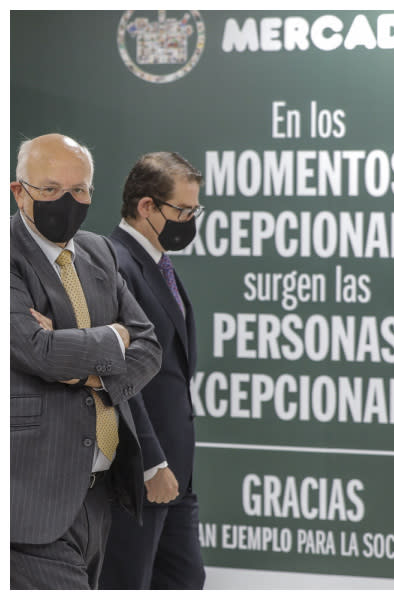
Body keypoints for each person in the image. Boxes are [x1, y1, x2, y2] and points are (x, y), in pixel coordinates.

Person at [10, 133, 162, 589]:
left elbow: (149, 346)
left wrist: (93, 374)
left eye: (79, 191)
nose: (67, 201)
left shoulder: (98, 250)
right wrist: (115, 335)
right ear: (19, 191)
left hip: (99, 493)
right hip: (32, 497)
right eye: (51, 189)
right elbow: (39, 351)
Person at [99, 152, 206, 589]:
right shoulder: (114, 262)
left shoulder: (161, 264)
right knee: (129, 583)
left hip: (177, 473)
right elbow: (120, 372)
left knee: (184, 579)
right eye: (183, 211)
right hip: (141, 474)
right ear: (146, 206)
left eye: (194, 211)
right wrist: (151, 461)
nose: (190, 221)